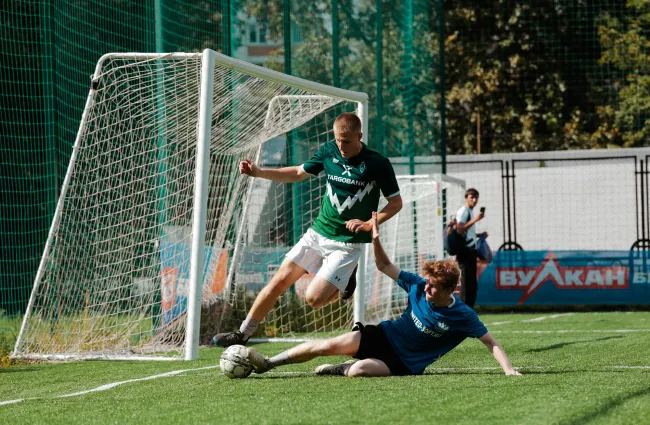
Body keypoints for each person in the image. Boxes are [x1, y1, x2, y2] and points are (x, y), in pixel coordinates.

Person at [245, 211, 521, 377]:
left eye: (434, 286)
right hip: (383, 335)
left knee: (358, 372)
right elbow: (384, 265)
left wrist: (508, 369)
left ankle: (339, 368)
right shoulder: (416, 285)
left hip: (404, 363)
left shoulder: (462, 314)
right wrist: (375, 238)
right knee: (325, 345)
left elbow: (491, 342)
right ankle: (269, 363)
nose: (427, 287)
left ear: (450, 290)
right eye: (427, 282)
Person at [214, 113, 403, 347]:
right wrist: (259, 171)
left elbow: (396, 203)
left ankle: (344, 281)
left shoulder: (378, 163)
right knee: (279, 281)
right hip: (317, 233)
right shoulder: (329, 152)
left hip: (347, 244)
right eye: (337, 140)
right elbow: (297, 173)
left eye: (346, 140)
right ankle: (242, 334)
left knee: (313, 299)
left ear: (359, 136)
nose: (341, 146)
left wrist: (368, 224)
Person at [455, 188, 487, 309]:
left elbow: (467, 232)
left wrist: (479, 235)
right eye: (471, 197)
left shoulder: (469, 211)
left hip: (471, 251)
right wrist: (476, 220)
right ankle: (464, 311)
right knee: (467, 285)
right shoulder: (464, 211)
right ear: (466, 198)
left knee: (471, 285)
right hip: (465, 251)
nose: (474, 200)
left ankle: (468, 311)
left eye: (476, 197)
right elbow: (459, 229)